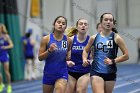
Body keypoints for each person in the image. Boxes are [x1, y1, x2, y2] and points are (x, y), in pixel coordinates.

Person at [82, 13, 129, 93]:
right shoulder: (94, 37)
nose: (108, 22)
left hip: (110, 72)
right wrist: (84, 59)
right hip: (96, 71)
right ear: (101, 22)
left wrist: (113, 61)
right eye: (106, 20)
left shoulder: (117, 38)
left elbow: (126, 55)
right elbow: (86, 50)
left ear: (113, 24)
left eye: (111, 20)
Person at [38, 16, 72, 93]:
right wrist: (49, 50)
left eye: (63, 23)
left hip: (62, 73)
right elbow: (40, 58)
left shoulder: (68, 40)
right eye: (58, 22)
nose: (61, 25)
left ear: (65, 27)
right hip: (48, 73)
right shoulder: (46, 39)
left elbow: (68, 51)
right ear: (54, 24)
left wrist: (68, 57)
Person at [65, 18, 91, 93]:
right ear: (77, 27)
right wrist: (67, 62)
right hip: (70, 71)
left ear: (88, 27)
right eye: (81, 24)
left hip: (84, 71)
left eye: (85, 24)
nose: (83, 26)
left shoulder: (91, 41)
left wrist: (90, 61)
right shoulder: (70, 40)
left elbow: (95, 57)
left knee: (80, 91)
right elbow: (63, 55)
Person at [0, 24, 13, 93]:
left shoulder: (6, 36)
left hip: (4, 55)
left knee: (6, 72)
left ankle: (9, 85)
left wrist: (5, 47)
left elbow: (11, 45)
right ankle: (1, 84)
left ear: (2, 29)